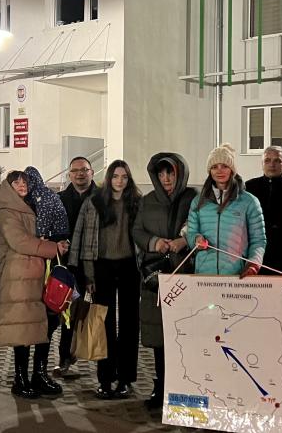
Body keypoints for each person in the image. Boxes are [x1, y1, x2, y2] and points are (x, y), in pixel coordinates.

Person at [0, 171, 69, 399]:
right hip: (18, 277)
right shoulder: (6, 211)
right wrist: (53, 248)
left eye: (25, 181)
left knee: (43, 325)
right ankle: (20, 378)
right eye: (16, 182)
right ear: (8, 186)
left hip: (37, 274)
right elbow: (19, 241)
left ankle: (39, 374)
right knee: (22, 328)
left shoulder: (29, 204)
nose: (22, 185)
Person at [69, 160, 141, 400]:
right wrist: (87, 273)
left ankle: (126, 379)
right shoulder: (95, 203)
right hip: (103, 267)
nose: (119, 181)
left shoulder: (136, 203)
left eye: (124, 177)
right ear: (108, 178)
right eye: (116, 176)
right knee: (104, 323)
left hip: (131, 266)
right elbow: (83, 239)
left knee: (130, 323)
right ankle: (105, 378)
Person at [131, 153, 197, 410]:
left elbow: (201, 225)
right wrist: (154, 243)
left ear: (180, 173)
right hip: (156, 278)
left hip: (185, 274)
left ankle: (185, 387)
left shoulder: (193, 199)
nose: (166, 178)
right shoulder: (148, 201)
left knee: (184, 334)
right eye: (161, 173)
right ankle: (161, 385)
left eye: (170, 172)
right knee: (159, 335)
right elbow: (137, 230)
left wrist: (184, 241)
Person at [22, 166, 69, 396]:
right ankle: (37, 373)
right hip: (47, 268)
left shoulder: (19, 202)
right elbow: (62, 233)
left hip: (33, 269)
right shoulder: (51, 197)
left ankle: (27, 376)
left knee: (33, 322)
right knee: (46, 322)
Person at [186, 143, 267, 276]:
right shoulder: (198, 201)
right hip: (204, 275)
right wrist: (196, 239)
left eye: (224, 166)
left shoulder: (249, 202)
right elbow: (191, 232)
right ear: (209, 171)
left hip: (237, 275)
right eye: (214, 167)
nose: (219, 171)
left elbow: (258, 239)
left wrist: (253, 264)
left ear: (232, 169)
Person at [53, 156, 98, 377]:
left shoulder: (103, 199)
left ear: (92, 172)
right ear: (69, 175)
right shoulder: (59, 199)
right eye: (75, 171)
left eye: (85, 170)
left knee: (100, 315)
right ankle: (65, 358)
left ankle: (104, 365)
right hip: (68, 267)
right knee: (67, 316)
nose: (80, 174)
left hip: (97, 266)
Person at [245, 146, 282, 276]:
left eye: (277, 160)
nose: (272, 164)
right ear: (262, 164)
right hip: (256, 252)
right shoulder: (249, 187)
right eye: (267, 160)